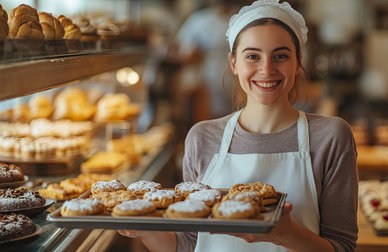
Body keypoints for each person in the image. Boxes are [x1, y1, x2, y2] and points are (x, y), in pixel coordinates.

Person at [118, 1, 358, 251]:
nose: (266, 69)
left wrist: (285, 234)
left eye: (281, 56)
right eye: (253, 56)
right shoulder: (202, 138)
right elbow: (189, 244)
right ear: (233, 63)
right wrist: (144, 230)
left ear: (298, 62)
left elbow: (342, 246)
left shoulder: (331, 137)